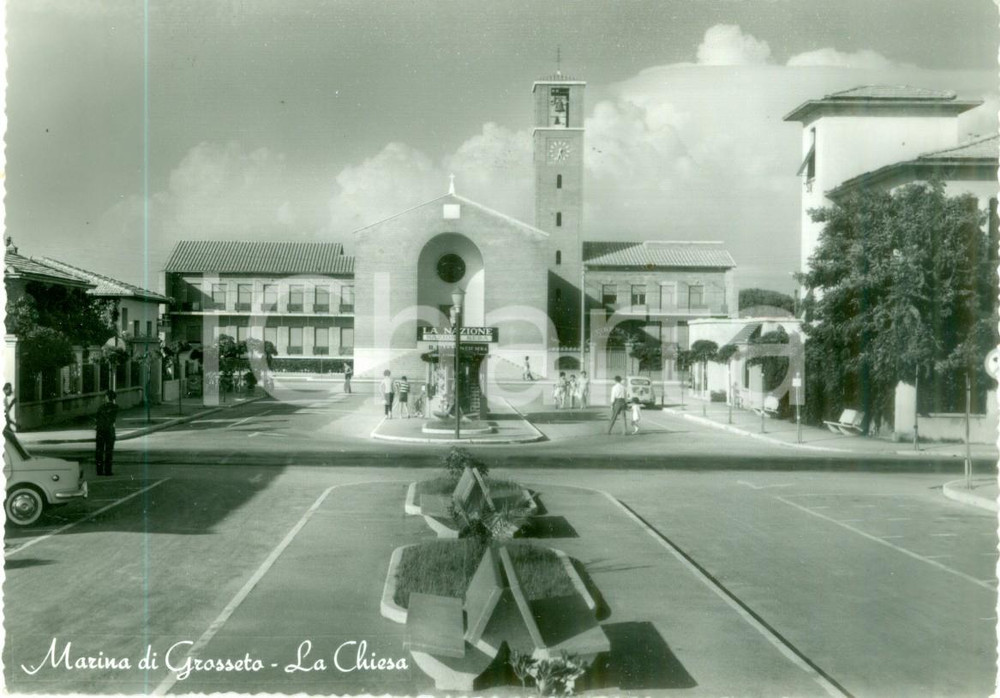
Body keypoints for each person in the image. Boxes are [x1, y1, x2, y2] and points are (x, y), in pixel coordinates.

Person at [95, 390, 118, 476]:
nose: (104, 398)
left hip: (100, 431)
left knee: (99, 451)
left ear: (108, 397)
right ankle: (108, 471)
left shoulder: (101, 408)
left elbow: (97, 418)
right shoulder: (115, 407)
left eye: (105, 396)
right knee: (109, 452)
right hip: (109, 431)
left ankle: (99, 470)